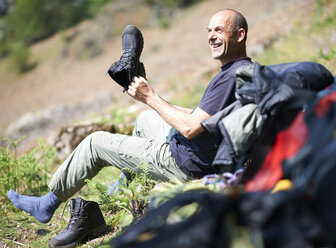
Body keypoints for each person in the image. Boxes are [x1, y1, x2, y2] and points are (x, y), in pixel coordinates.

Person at [7, 7, 252, 242]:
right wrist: (150, 100)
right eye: (209, 31)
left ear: (239, 35)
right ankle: (123, 186)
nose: (211, 36)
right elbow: (200, 116)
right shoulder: (242, 71)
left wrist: (150, 96)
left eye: (219, 30)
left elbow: (190, 128)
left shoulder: (230, 77)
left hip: (187, 162)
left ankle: (46, 204)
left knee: (95, 143)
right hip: (204, 151)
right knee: (145, 119)